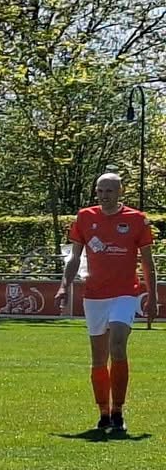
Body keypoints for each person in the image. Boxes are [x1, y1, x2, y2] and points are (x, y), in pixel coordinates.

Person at [56, 171, 155, 436]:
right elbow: (74, 257)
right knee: (99, 357)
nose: (104, 195)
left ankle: (119, 411)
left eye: (109, 190)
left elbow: (147, 261)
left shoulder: (137, 220)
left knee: (118, 344)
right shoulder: (85, 217)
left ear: (120, 192)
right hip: (94, 296)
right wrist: (64, 285)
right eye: (100, 191)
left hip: (125, 293)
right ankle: (103, 413)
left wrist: (154, 297)